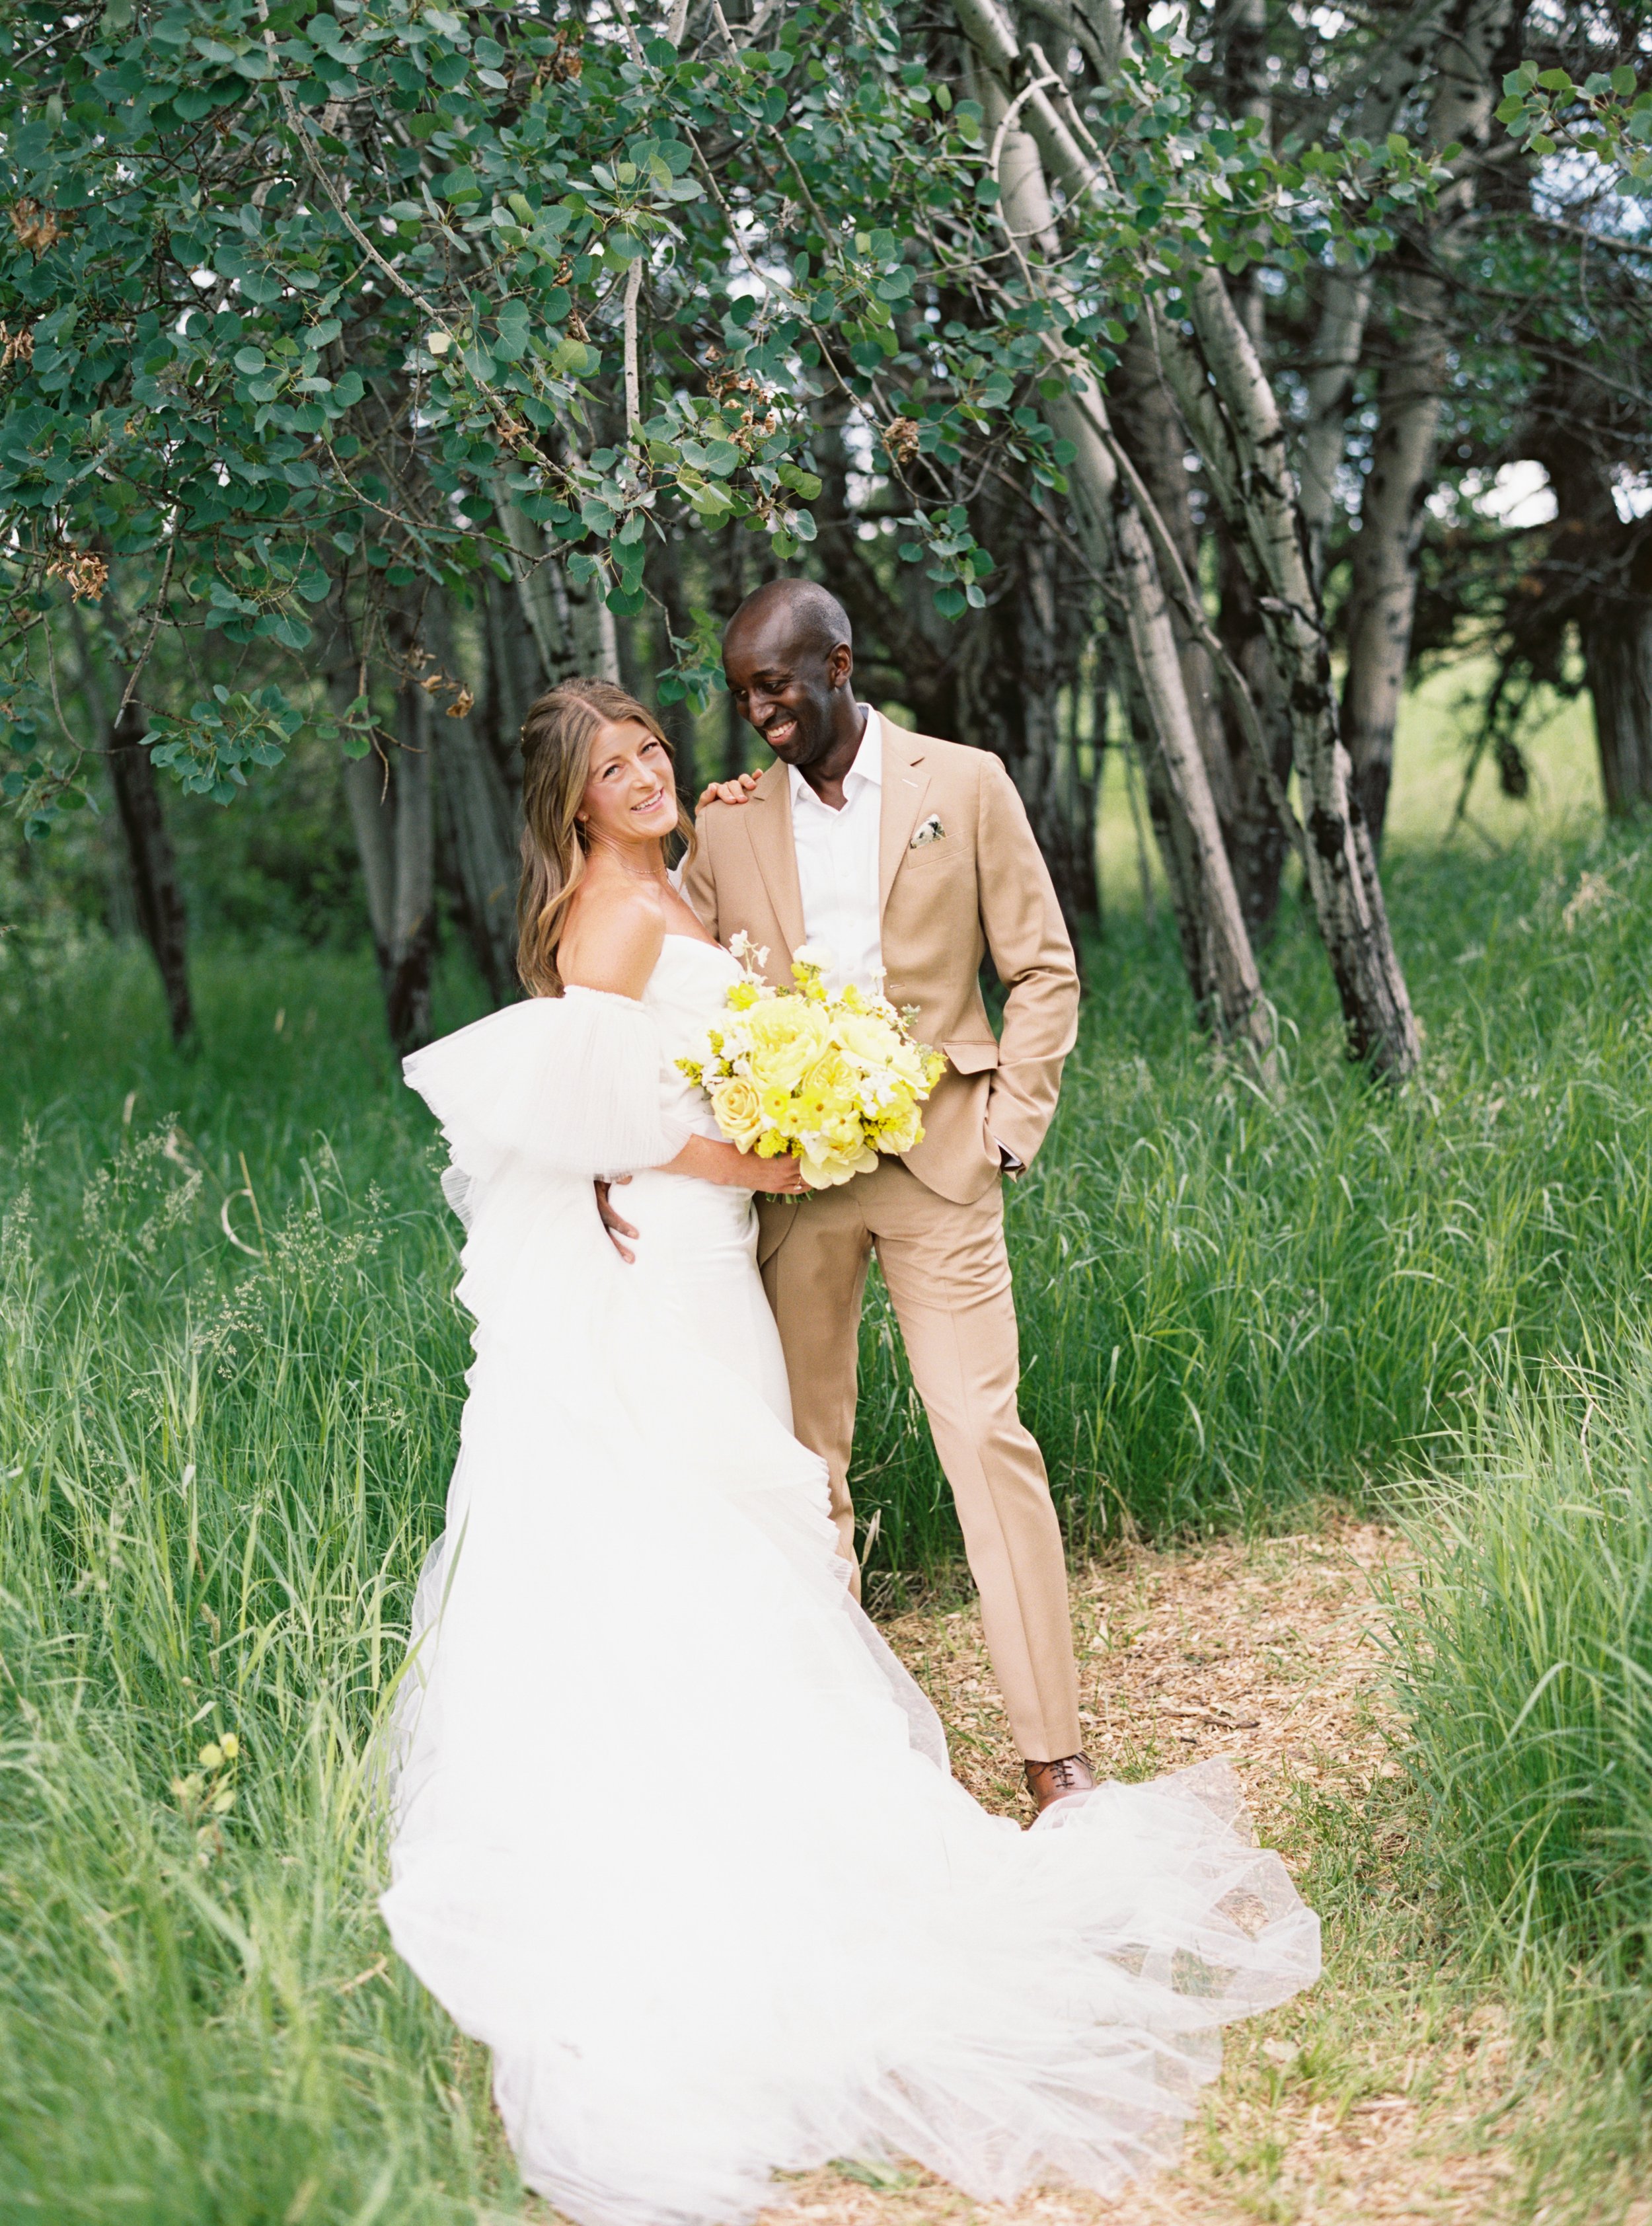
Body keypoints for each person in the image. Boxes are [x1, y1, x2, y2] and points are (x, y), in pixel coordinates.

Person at [382, 675, 1319, 2226]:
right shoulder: (607, 923)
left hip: (717, 1237)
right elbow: (598, 1115)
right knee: (696, 1510)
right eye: (610, 769)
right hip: (677, 1241)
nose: (646, 772)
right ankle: (703, 1807)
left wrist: (798, 1106)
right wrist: (771, 1147)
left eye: (648, 751)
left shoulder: (680, 877)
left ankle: (776, 1760)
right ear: (568, 805)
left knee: (742, 1502)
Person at [650, 577, 1089, 1813]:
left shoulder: (968, 782)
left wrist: (1010, 1125)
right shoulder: (729, 823)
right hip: (799, 1185)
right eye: (743, 696)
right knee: (806, 1467)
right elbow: (675, 976)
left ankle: (1053, 1748)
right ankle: (843, 1763)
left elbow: (1044, 968)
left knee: (986, 1441)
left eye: (776, 687)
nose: (759, 714)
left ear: (839, 664)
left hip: (947, 1162)